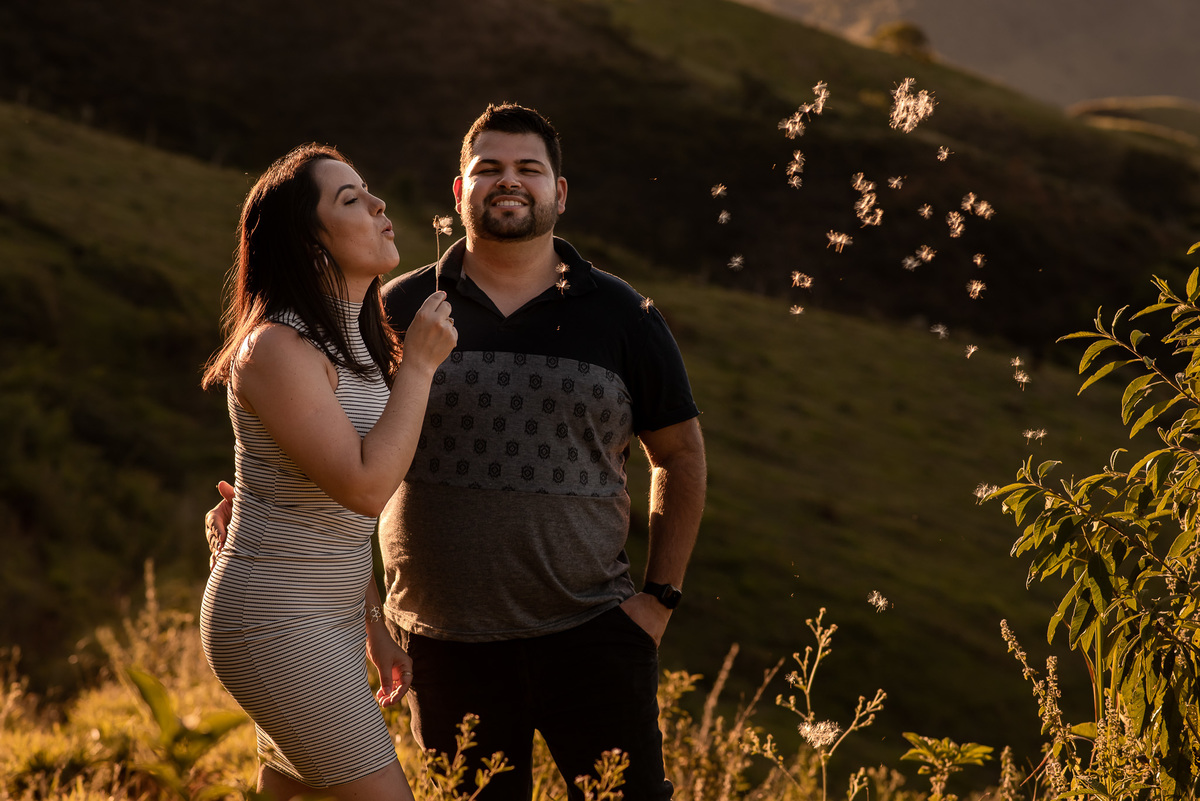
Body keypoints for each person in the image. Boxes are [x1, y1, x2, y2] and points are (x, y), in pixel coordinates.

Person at [209, 104, 707, 800]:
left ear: (559, 192)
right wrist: (265, 514)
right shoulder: (391, 308)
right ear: (459, 190)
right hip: (442, 649)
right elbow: (325, 448)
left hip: (594, 634)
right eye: (490, 168)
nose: (510, 182)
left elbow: (680, 456)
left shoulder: (623, 315)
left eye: (530, 169)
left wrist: (658, 600)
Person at [199, 143, 457, 801]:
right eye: (350, 199)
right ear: (308, 241)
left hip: (327, 619)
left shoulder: (356, 341)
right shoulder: (276, 347)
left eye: (370, 191)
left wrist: (370, 622)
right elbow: (366, 487)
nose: (379, 205)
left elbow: (339, 515)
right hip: (277, 622)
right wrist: (422, 367)